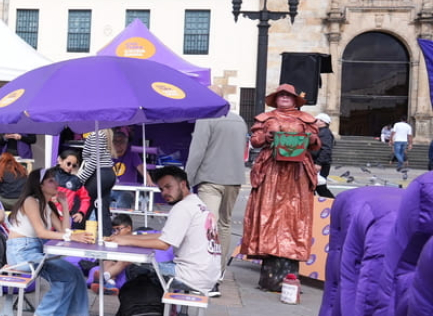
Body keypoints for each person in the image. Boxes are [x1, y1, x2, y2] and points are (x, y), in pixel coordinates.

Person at [244, 83, 321, 291]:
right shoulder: (266, 117)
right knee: (269, 214)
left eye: (288, 95)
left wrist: (311, 139)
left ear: (295, 99)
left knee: (294, 216)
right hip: (271, 171)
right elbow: (255, 140)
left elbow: (316, 144)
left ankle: (289, 274)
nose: (285, 97)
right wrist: (266, 137)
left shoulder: (305, 118)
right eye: (281, 95)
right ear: (275, 99)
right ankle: (269, 276)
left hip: (297, 173)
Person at [105, 166, 221, 294]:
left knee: (134, 267)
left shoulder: (183, 208)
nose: (164, 193)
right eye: (161, 189)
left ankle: (148, 305)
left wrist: (127, 241)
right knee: (148, 264)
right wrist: (126, 238)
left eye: (168, 187)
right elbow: (164, 235)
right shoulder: (197, 204)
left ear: (183, 184)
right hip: (208, 275)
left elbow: (163, 244)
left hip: (190, 276)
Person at [6, 169, 94, 316]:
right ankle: (45, 315)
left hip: (35, 250)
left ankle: (76, 315)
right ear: (40, 185)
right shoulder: (30, 201)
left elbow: (64, 230)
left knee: (74, 271)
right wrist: (71, 236)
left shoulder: (47, 206)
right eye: (51, 181)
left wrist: (65, 205)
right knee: (65, 276)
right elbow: (42, 232)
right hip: (21, 252)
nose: (56, 183)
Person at [185, 110, 248, 269]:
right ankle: (219, 269)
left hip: (210, 177)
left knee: (208, 224)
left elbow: (197, 152)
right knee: (224, 224)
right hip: (234, 179)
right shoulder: (239, 120)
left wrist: (187, 180)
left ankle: (206, 268)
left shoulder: (205, 118)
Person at [76, 128, 115, 224]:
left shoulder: (96, 135)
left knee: (83, 203)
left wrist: (80, 179)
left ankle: (77, 228)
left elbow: (94, 161)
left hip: (99, 173)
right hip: (108, 173)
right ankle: (105, 232)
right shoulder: (105, 134)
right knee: (102, 208)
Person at [109, 129, 148, 210]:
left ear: (126, 143)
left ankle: (118, 215)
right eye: (115, 141)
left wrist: (149, 180)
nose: (118, 144)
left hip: (126, 191)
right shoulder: (107, 154)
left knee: (125, 197)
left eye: (121, 141)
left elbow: (141, 168)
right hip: (109, 189)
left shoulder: (132, 153)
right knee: (98, 198)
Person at [55, 149, 92, 227]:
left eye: (74, 165)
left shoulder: (75, 181)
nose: (70, 167)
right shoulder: (47, 176)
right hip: (47, 217)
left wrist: (81, 212)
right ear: (60, 160)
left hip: (64, 220)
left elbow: (85, 198)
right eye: (68, 163)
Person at [314, 113, 335, 198]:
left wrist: (319, 163)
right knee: (315, 185)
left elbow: (326, 149)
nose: (315, 121)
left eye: (317, 120)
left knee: (320, 186)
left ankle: (332, 202)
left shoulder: (325, 133)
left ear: (323, 122)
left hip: (320, 164)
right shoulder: (320, 132)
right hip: (318, 162)